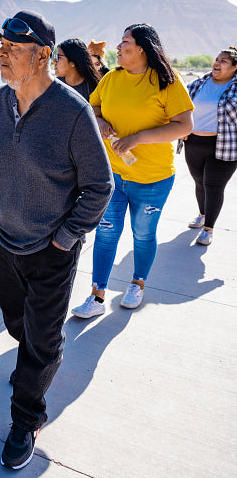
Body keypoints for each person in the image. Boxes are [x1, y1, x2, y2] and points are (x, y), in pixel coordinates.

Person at [0, 10, 113, 469]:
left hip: (51, 249)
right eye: (1, 46)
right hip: (1, 240)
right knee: (17, 322)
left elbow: (100, 186)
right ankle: (35, 359)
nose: (2, 54)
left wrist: (67, 237)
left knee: (41, 339)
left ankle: (26, 418)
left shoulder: (72, 112)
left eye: (12, 48)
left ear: (43, 57)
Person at [72, 23, 194, 320]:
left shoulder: (167, 80)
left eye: (124, 42)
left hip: (152, 178)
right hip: (112, 176)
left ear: (142, 47)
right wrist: (99, 122)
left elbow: (184, 126)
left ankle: (137, 284)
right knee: (106, 234)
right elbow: (93, 108)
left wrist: (137, 138)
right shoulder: (112, 78)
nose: (118, 47)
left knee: (143, 234)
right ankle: (97, 295)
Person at [178, 47, 237, 246]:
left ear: (235, 68)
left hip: (224, 146)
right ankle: (203, 214)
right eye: (217, 59)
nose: (217, 63)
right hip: (193, 142)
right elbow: (182, 104)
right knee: (199, 183)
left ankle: (208, 229)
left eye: (224, 61)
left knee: (213, 186)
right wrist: (181, 127)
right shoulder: (199, 83)